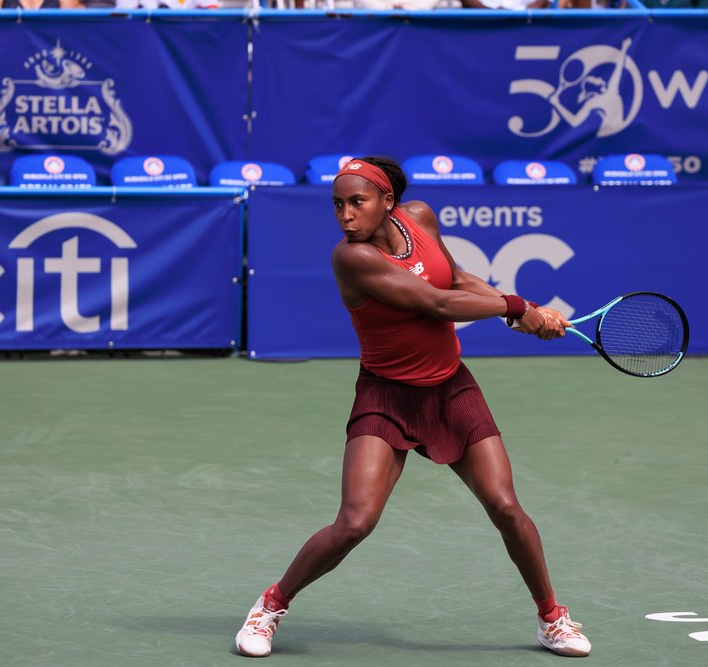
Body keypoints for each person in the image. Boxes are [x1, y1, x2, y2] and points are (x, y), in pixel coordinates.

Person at [235, 156, 592, 659]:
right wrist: (516, 308)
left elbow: (457, 279)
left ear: (388, 201)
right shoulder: (350, 258)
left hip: (451, 388)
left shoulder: (420, 217)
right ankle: (271, 605)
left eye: (356, 202)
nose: (345, 215)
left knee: (506, 506)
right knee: (356, 521)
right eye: (337, 205)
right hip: (386, 395)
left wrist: (522, 312)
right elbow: (435, 302)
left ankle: (552, 618)